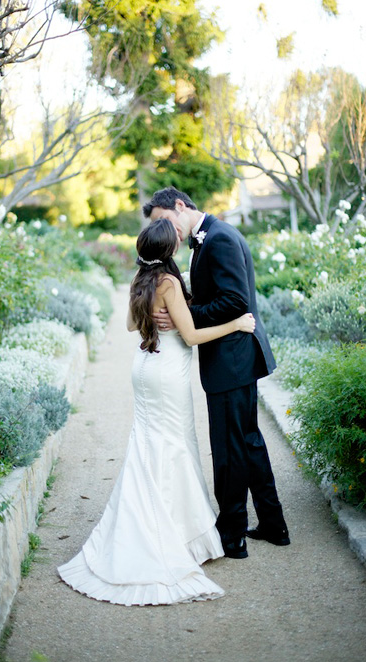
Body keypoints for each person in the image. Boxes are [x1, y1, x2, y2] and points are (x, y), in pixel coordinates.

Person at [58, 218, 256, 605]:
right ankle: (169, 533)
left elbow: (133, 324)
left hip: (145, 367)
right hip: (167, 371)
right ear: (170, 249)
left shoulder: (141, 279)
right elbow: (193, 336)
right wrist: (236, 322)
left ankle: (160, 523)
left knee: (149, 445)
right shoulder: (168, 282)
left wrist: (156, 314)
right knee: (174, 446)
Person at [144, 186, 289, 560]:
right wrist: (188, 303)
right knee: (249, 441)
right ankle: (274, 525)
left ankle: (232, 535)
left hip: (233, 359)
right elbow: (219, 294)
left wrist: (184, 317)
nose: (164, 230)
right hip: (234, 357)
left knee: (229, 449)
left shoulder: (219, 238)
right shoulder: (209, 237)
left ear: (180, 206)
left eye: (164, 220)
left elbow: (235, 301)